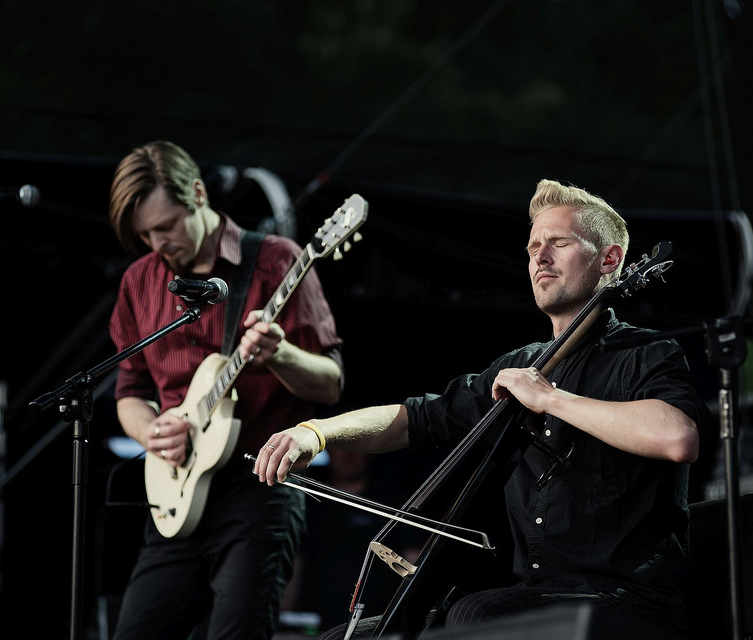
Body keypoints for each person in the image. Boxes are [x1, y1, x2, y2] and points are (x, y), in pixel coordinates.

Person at [255, 179, 712, 638]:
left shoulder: (648, 353)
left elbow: (678, 437)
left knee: (476, 615)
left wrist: (551, 399)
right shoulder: (517, 366)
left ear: (609, 260)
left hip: (625, 601)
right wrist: (316, 432)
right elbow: (414, 419)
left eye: (559, 243)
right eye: (533, 246)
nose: (540, 257)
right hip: (533, 596)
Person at [106, 140, 344, 640]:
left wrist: (279, 354)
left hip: (260, 489)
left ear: (197, 193)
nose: (157, 244)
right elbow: (129, 390)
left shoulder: (276, 261)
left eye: (166, 227)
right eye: (144, 234)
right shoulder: (139, 281)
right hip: (177, 492)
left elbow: (331, 384)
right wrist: (153, 432)